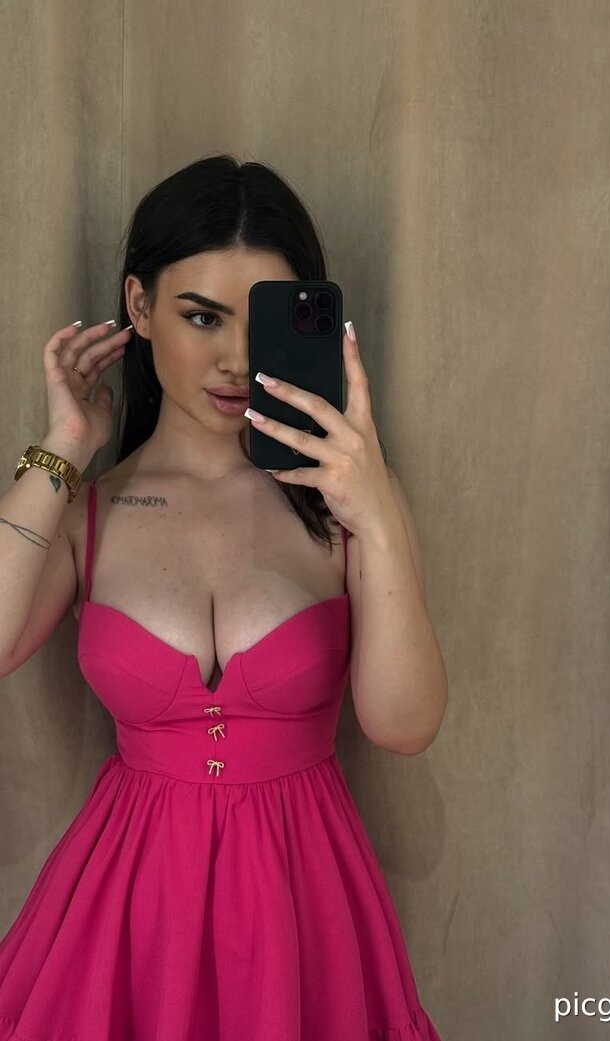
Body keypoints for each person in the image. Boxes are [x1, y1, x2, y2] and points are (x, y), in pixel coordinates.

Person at [0, 154, 448, 1039]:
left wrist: (378, 513)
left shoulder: (346, 504)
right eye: (201, 315)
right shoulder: (89, 509)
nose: (236, 358)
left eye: (261, 319)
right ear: (138, 306)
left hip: (303, 907)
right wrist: (65, 444)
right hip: (126, 917)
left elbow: (404, 725)